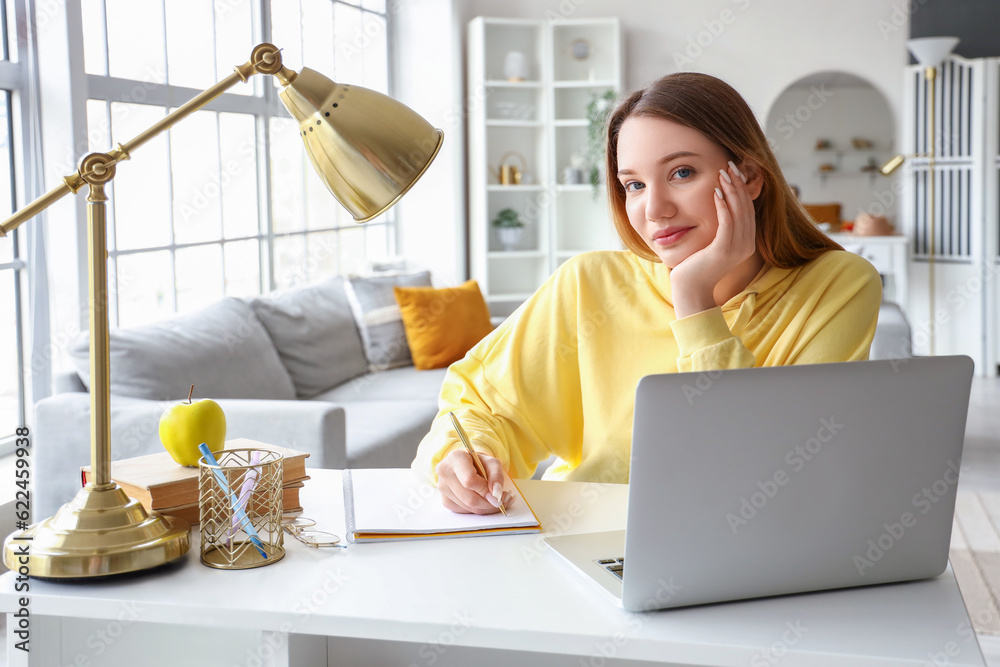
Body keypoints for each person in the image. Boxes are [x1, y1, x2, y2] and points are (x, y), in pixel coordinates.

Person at [411, 72, 881, 514]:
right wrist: (462, 455)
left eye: (681, 173)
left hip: (742, 552)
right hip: (582, 539)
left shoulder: (839, 285)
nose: (653, 209)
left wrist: (694, 296)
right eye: (633, 184)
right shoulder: (589, 283)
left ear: (750, 177)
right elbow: (478, 404)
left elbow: (763, 474)